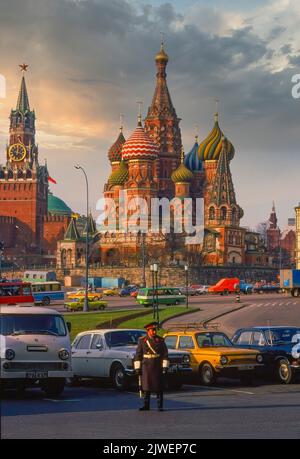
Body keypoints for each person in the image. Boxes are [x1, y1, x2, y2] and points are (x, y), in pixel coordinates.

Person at [134, 321, 169, 411]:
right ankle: (146, 405)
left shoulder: (160, 340)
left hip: (157, 365)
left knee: (158, 387)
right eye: (152, 330)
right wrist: (137, 368)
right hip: (146, 366)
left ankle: (160, 406)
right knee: (146, 387)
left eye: (155, 330)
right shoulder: (142, 340)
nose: (154, 332)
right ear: (148, 331)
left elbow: (165, 354)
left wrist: (165, 367)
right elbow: (138, 355)